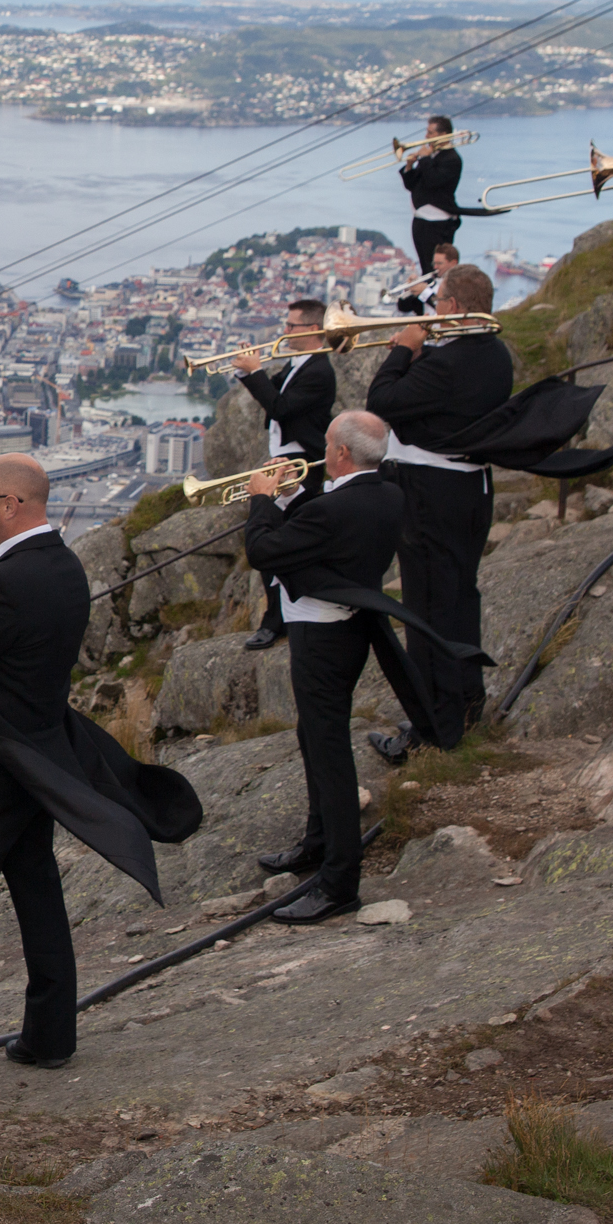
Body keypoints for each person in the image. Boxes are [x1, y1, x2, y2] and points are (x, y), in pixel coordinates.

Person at [0, 454, 201, 1093]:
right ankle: (50, 1036)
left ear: (11, 506)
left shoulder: (9, 579)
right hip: (30, 765)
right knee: (38, 896)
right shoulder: (56, 564)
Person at [241, 412, 407, 923]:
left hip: (320, 635)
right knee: (313, 736)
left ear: (338, 454)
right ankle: (317, 843)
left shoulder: (336, 508)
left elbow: (262, 550)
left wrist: (261, 499)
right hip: (348, 628)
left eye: (329, 444)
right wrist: (290, 498)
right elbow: (322, 531)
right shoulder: (385, 494)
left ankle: (339, 883)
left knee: (329, 751)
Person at [365, 263, 511, 760]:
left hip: (430, 492)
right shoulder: (495, 353)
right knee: (458, 599)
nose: (430, 312)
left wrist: (405, 349)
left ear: (451, 307)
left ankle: (433, 726)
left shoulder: (448, 362)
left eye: (436, 302)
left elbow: (381, 400)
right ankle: (466, 702)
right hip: (471, 489)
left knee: (427, 610)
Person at [233, 299, 335, 651]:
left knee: (278, 540)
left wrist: (255, 371)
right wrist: (248, 372)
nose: (285, 331)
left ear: (312, 330)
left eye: (291, 326)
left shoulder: (320, 371)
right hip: (285, 458)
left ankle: (276, 621)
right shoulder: (299, 363)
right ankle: (278, 617)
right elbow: (273, 394)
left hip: (301, 463)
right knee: (275, 538)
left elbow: (280, 407)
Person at [400, 116, 465, 284]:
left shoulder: (452, 159)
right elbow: (412, 185)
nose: (426, 137)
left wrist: (425, 159)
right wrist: (409, 167)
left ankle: (435, 300)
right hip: (421, 219)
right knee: (424, 266)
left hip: (437, 222)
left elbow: (433, 182)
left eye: (430, 133)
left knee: (435, 270)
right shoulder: (430, 156)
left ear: (444, 134)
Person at [395, 242, 461, 319]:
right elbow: (403, 307)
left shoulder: (459, 285)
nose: (435, 267)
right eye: (434, 263)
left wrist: (425, 292)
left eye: (439, 263)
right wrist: (408, 288)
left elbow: (446, 308)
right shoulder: (430, 283)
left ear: (453, 263)